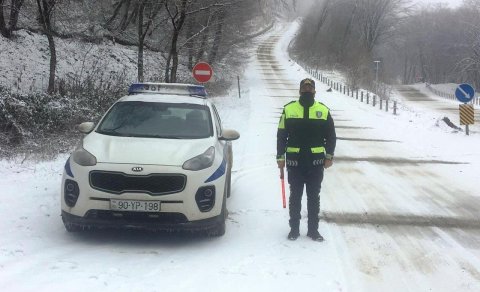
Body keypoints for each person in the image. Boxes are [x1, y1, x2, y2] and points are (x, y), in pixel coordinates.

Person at [276, 78, 336, 241]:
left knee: (313, 197)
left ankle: (313, 230)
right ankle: (294, 229)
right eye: (305, 87)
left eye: (310, 88)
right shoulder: (289, 109)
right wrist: (280, 157)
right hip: (295, 162)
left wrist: (329, 156)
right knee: (295, 196)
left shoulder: (323, 110)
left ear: (315, 91)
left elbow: (331, 136)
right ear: (300, 90)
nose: (307, 90)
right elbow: (281, 135)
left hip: (316, 162)